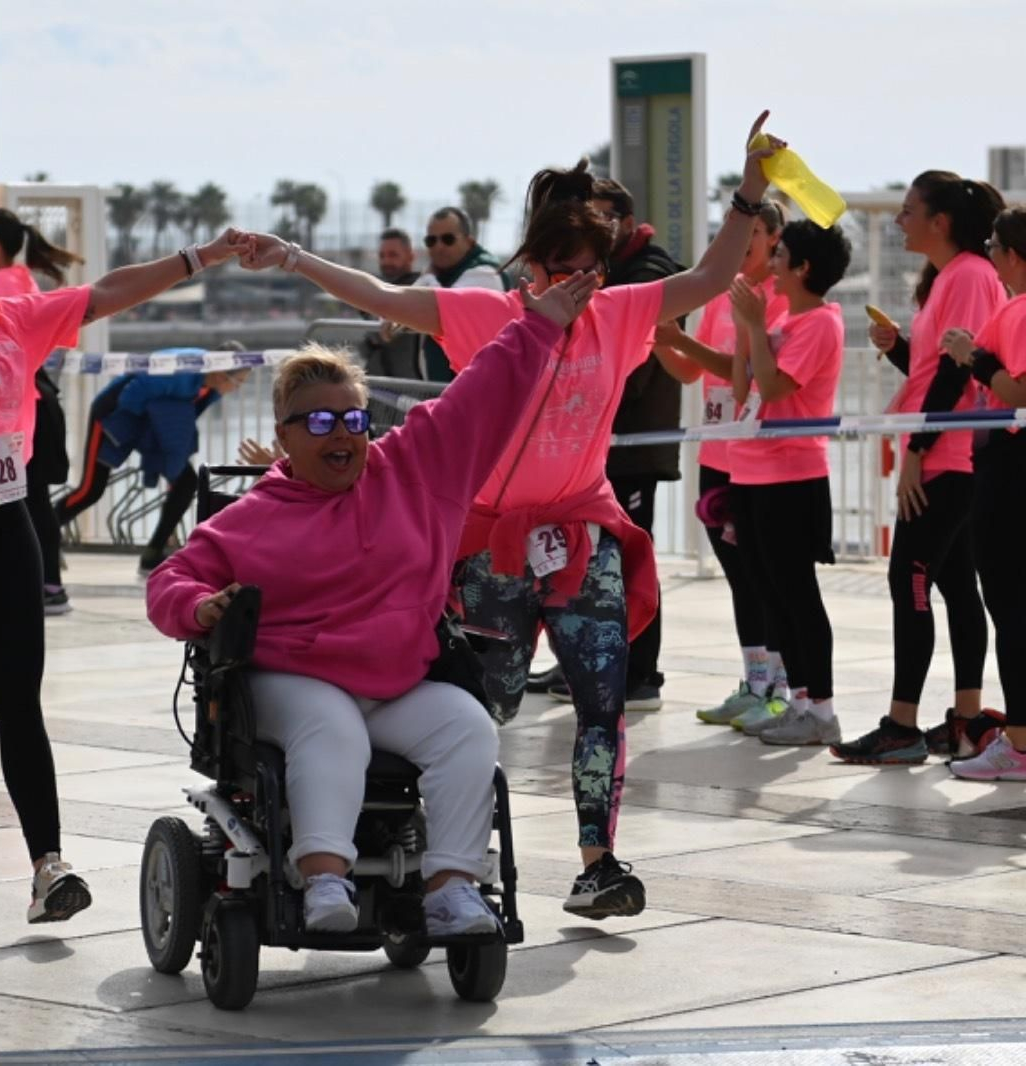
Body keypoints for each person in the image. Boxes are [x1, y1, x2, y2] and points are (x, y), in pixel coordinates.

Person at [231, 112, 783, 919]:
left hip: (580, 534)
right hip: (491, 547)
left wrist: (749, 192)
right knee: (481, 712)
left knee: (603, 702)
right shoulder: (488, 317)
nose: (576, 286)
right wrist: (291, 256)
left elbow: (703, 281)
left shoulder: (622, 313)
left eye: (589, 271)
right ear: (532, 267)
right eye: (560, 271)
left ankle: (599, 863)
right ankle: (440, 853)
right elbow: (382, 294)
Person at [0, 79, 243, 922]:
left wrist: (202, 257)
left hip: (3, 528)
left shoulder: (11, 321)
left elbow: (106, 293)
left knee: (19, 703)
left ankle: (48, 867)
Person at [148, 277, 593, 934]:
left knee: (468, 728)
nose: (343, 435)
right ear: (285, 437)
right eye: (321, 422)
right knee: (332, 727)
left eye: (354, 419)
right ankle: (324, 878)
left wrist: (540, 325)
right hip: (292, 679)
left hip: (393, 680)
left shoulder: (416, 470)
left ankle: (450, 886)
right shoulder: (248, 520)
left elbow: (480, 397)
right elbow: (170, 580)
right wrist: (200, 605)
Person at [832, 173, 1005, 765]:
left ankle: (902, 726)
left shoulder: (972, 277)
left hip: (952, 455)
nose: (901, 221)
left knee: (908, 576)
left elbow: (962, 373)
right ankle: (966, 718)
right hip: (947, 448)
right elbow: (935, 370)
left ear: (941, 222)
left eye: (909, 212)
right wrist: (898, 347)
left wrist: (916, 451)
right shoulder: (949, 279)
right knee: (956, 587)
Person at [547, 178, 688, 713]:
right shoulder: (606, 271)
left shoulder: (648, 269)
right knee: (588, 564)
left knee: (631, 562)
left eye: (603, 219)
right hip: (599, 451)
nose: (595, 228)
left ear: (627, 221)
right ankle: (583, 658)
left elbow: (620, 340)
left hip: (634, 447)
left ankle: (640, 673)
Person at [654, 201, 791, 728]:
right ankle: (754, 679)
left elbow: (753, 373)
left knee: (765, 573)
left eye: (756, 232)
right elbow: (691, 370)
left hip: (756, 457)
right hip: (716, 452)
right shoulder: (721, 293)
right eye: (740, 233)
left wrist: (679, 339)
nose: (747, 242)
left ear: (775, 238)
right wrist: (658, 339)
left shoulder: (776, 299)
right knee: (739, 575)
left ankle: (781, 684)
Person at [727, 220, 853, 747]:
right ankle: (799, 700)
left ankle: (821, 709)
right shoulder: (782, 319)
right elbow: (743, 389)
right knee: (770, 593)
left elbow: (775, 388)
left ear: (803, 267)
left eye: (780, 253)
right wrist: (745, 328)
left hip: (792, 475)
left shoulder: (820, 323)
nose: (771, 260)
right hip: (753, 470)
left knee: (797, 593)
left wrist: (755, 326)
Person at [939, 206, 1026, 779]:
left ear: (1014, 255)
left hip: (1010, 470)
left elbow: (1016, 391)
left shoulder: (1018, 309)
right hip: (1006, 469)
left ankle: (1017, 746)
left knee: (1011, 607)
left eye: (995, 245)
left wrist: (976, 355)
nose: (989, 255)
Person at [55, 353, 252, 577]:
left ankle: (153, 553)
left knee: (186, 483)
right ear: (219, 373)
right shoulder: (180, 374)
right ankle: (45, 534)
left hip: (150, 428)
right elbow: (131, 396)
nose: (237, 388)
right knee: (91, 489)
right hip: (113, 417)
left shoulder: (209, 390)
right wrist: (147, 430)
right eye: (238, 381)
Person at [0, 207, 84, 615]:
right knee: (31, 500)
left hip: (23, 413)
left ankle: (42, 585)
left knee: (19, 501)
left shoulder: (0, 285)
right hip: (34, 407)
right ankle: (44, 583)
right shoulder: (18, 279)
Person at [410, 207, 506, 382]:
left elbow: (440, 308)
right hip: (448, 390)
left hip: (478, 390)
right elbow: (403, 305)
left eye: (448, 239)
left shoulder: (485, 273)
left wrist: (428, 276)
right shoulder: (441, 273)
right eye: (431, 241)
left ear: (469, 242)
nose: (438, 247)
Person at [364, 228, 421, 379]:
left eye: (393, 255)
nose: (386, 261)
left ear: (411, 256)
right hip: (382, 389)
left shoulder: (419, 291)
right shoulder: (379, 291)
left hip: (411, 388)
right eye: (382, 256)